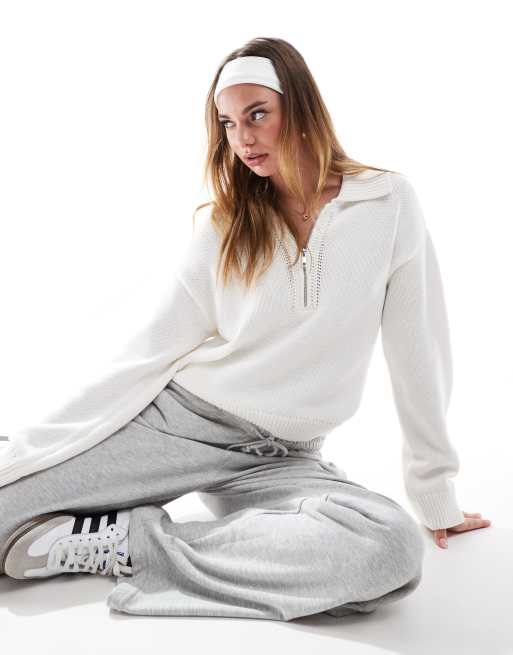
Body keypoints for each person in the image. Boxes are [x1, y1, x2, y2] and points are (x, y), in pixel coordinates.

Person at [0, 37, 490, 620]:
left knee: (388, 548)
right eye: (229, 124)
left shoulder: (387, 203)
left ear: (300, 107)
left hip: (282, 460)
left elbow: (418, 351)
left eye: (257, 114)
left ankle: (128, 543)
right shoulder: (227, 221)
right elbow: (151, 349)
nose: (244, 139)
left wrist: (434, 495)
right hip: (180, 425)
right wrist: (40, 446)